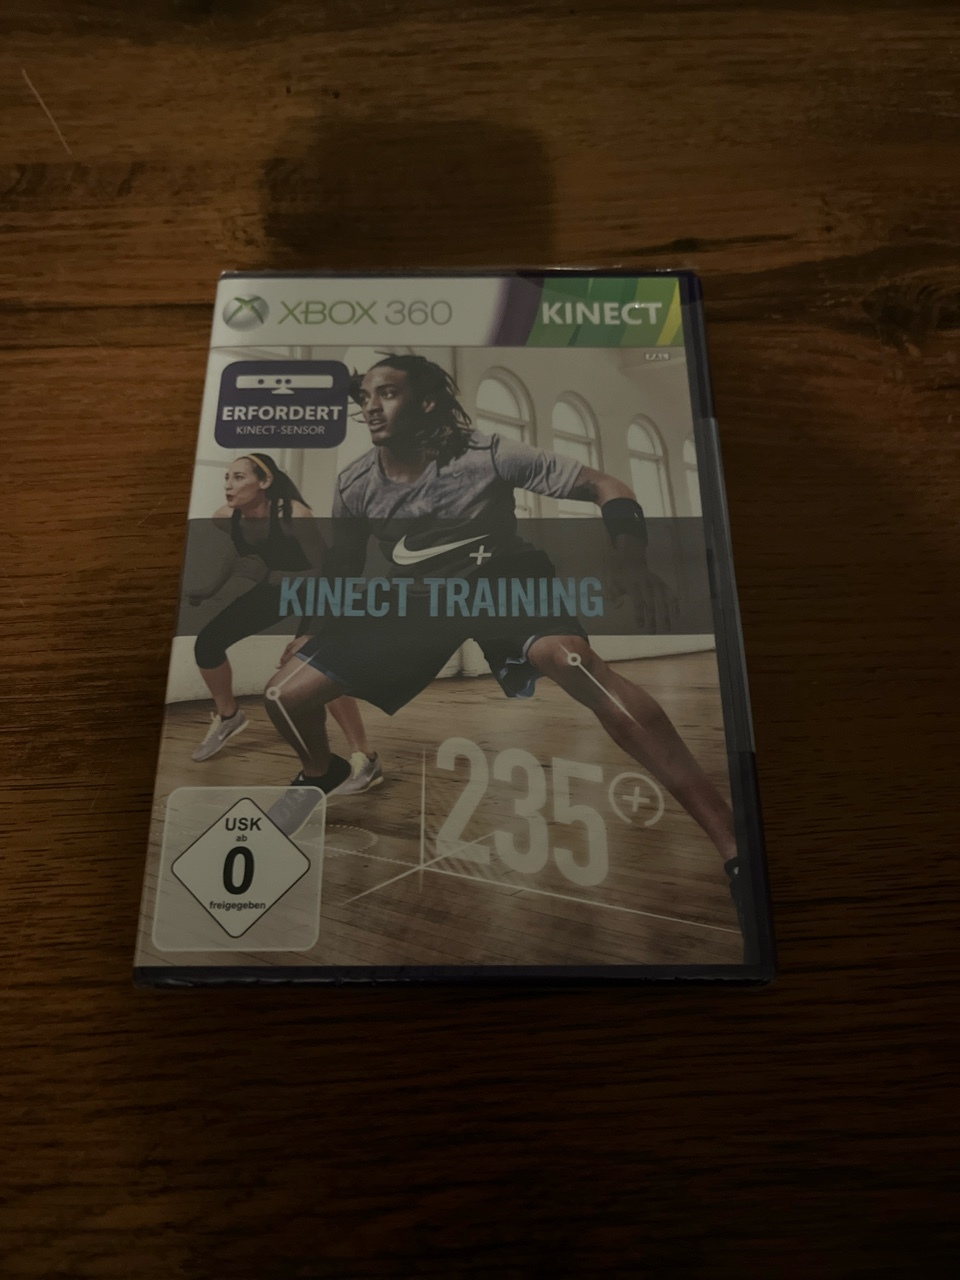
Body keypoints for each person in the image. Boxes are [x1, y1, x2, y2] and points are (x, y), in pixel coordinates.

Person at [262, 358, 752, 952]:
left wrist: (630, 559)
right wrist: (311, 629)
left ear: (426, 403)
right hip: (417, 598)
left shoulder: (487, 454)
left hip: (503, 582)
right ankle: (324, 772)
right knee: (282, 695)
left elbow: (608, 486)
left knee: (573, 662)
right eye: (365, 396)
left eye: (386, 393)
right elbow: (343, 564)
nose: (370, 407)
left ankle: (735, 846)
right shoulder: (356, 482)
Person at [188, 451, 382, 795]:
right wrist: (210, 589)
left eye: (239, 477)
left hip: (318, 589)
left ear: (265, 482)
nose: (229, 485)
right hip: (277, 587)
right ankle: (229, 715)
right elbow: (236, 550)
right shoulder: (225, 517)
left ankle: (365, 757)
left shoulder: (294, 516)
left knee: (319, 672)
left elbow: (326, 571)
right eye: (226, 478)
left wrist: (310, 627)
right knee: (208, 643)